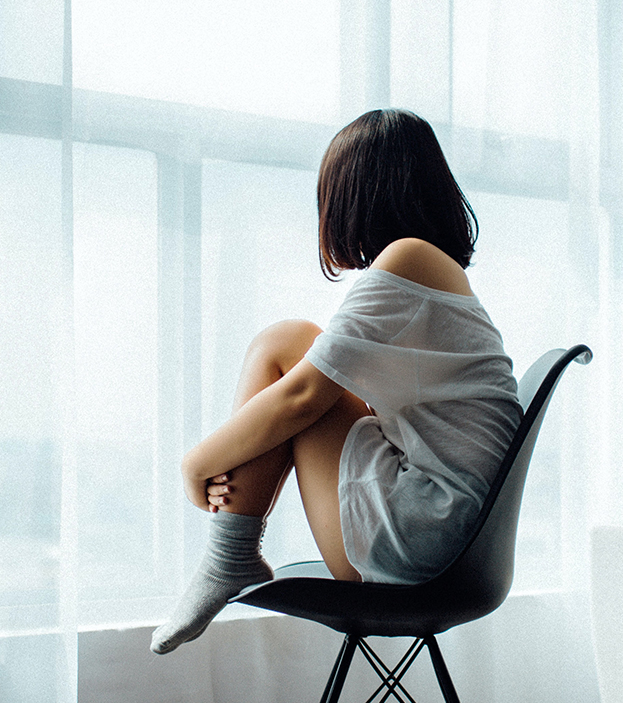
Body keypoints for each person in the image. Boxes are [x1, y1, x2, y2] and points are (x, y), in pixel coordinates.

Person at [150, 109, 521, 654]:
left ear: (356, 195)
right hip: (446, 536)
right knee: (296, 345)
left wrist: (195, 463)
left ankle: (228, 556)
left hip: (421, 539)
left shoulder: (409, 258)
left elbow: (303, 398)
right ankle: (230, 556)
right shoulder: (435, 272)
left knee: (283, 346)